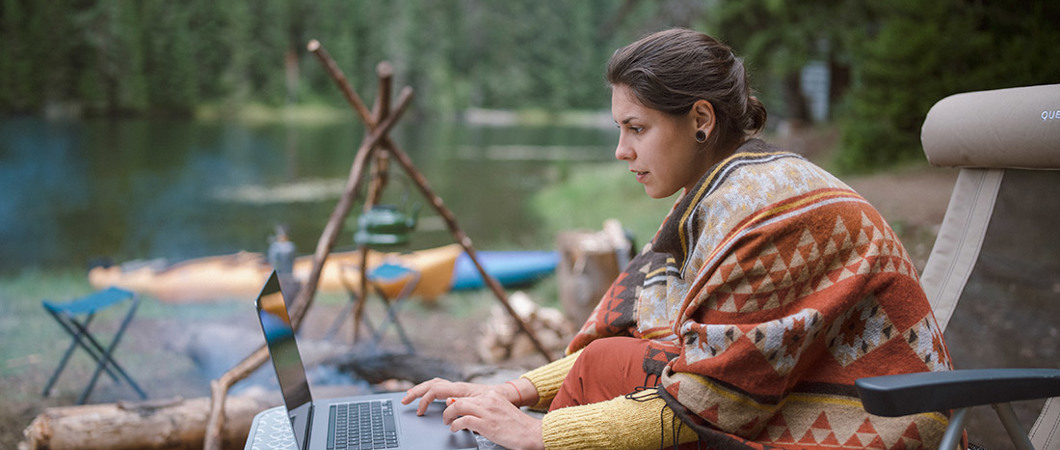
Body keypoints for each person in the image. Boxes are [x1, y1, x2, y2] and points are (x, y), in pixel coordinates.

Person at [403, 28, 953, 450]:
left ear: (701, 119)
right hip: (799, 393)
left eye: (636, 129)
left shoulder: (768, 213)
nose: (621, 151)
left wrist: (537, 433)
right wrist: (512, 392)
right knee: (606, 360)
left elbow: (711, 403)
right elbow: (670, 350)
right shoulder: (724, 192)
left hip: (876, 424)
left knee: (594, 385)